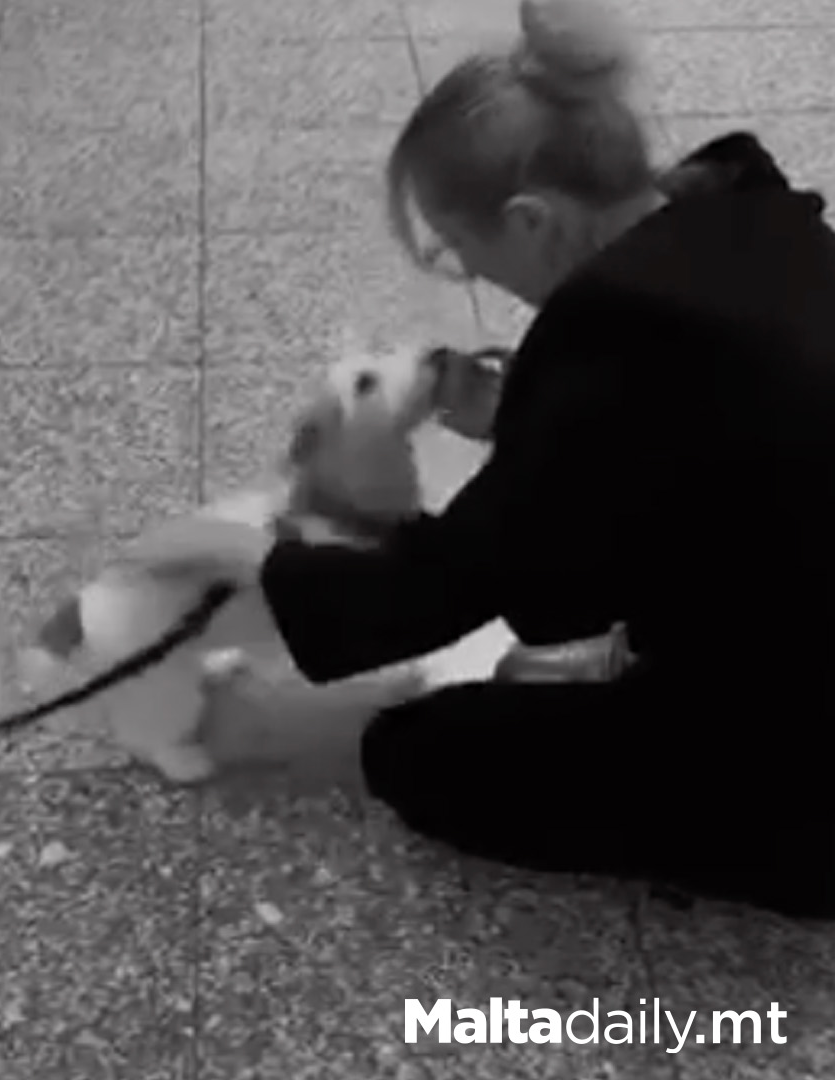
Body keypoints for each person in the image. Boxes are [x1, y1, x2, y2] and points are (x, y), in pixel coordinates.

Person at [140, 0, 835, 919]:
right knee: (545, 672)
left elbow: (441, 591)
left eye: (463, 255)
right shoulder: (755, 229)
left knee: (428, 751)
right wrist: (525, 420)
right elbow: (679, 455)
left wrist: (312, 535)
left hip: (808, 776)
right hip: (794, 624)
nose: (478, 283)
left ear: (533, 219)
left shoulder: (621, 335)